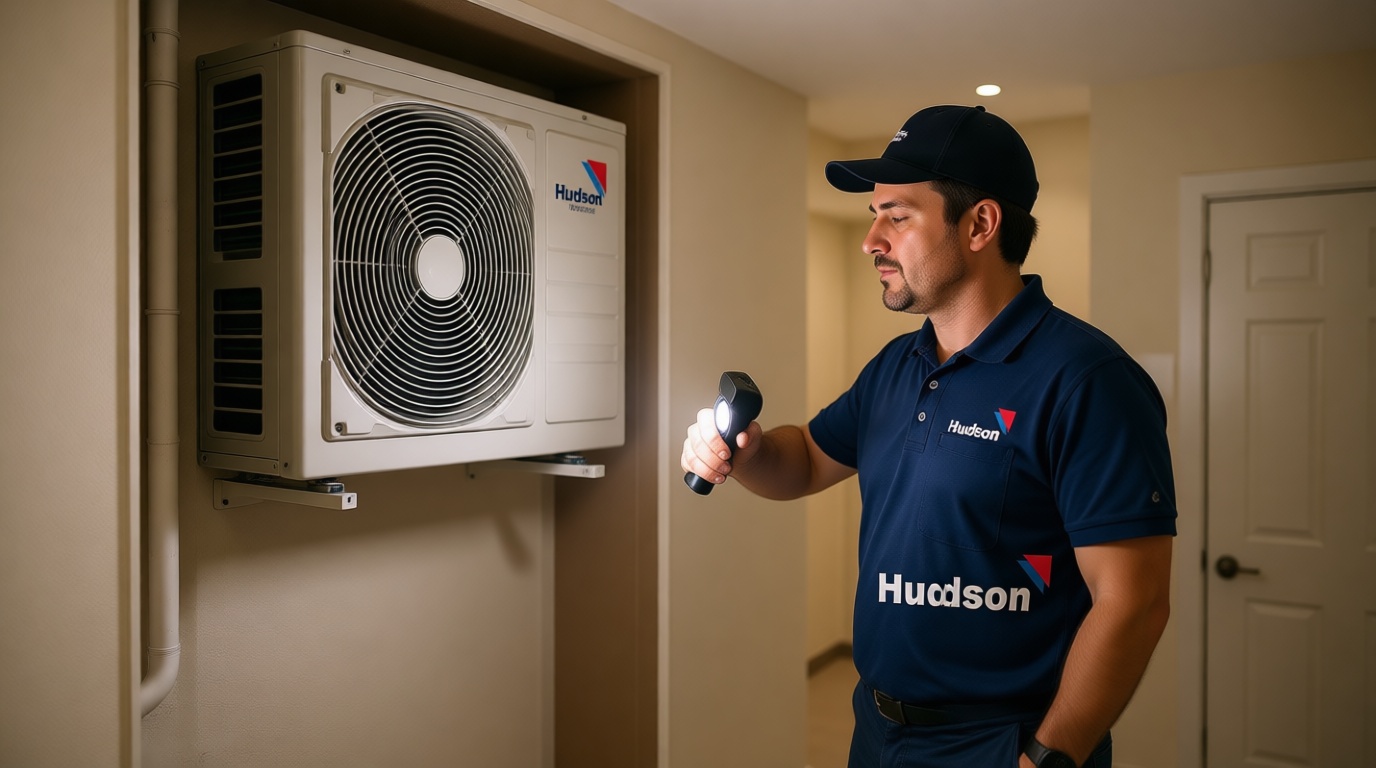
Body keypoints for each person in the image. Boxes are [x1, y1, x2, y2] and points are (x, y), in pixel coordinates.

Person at [680, 104, 1176, 768]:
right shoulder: (896, 367)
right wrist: (746, 452)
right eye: (873, 215)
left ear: (980, 224)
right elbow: (804, 462)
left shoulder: (1086, 380)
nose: (871, 240)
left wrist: (1047, 759)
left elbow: (1133, 604)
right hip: (878, 731)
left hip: (1001, 742)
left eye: (898, 216)